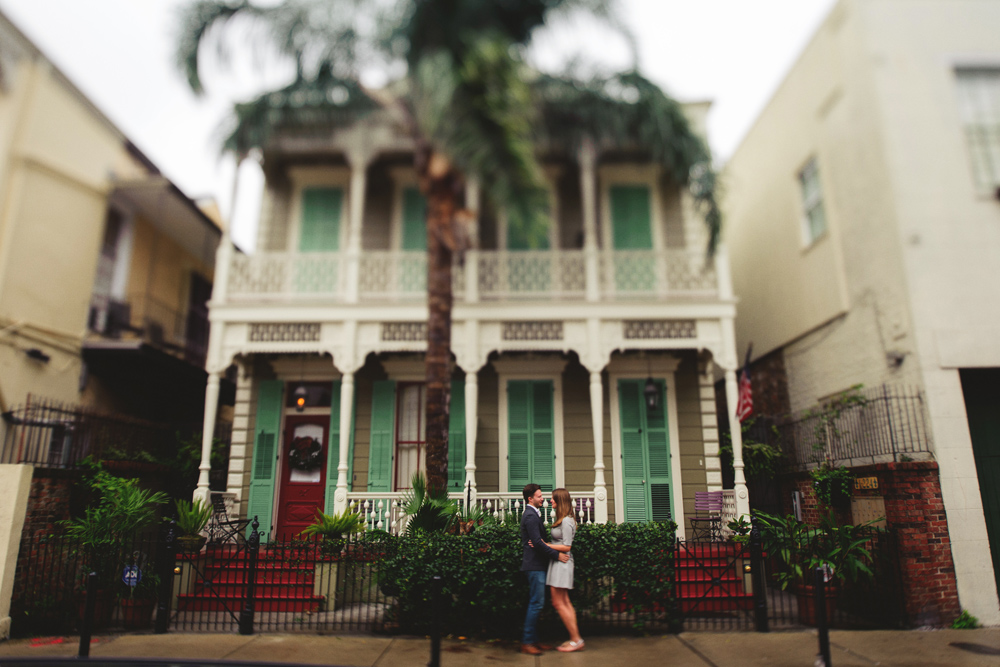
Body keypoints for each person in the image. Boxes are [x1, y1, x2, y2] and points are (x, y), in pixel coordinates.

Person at [519, 483, 568, 655]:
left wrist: (540, 543)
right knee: (536, 603)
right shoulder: (531, 516)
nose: (543, 498)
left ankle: (534, 640)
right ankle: (527, 642)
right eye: (539, 496)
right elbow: (537, 543)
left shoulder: (533, 514)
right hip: (534, 566)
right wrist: (557, 555)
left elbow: (538, 542)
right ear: (530, 498)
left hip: (537, 565)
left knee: (537, 603)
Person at [541, 488, 584, 652]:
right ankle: (576, 639)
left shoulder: (566, 521)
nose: (550, 501)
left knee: (559, 602)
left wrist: (546, 545)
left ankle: (576, 639)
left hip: (562, 562)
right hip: (559, 562)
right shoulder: (565, 519)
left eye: (553, 499)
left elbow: (567, 546)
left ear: (560, 501)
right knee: (564, 602)